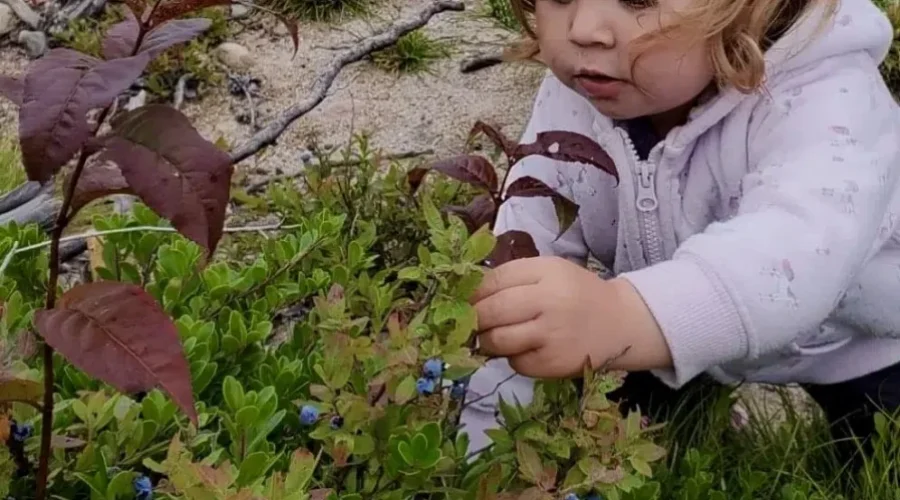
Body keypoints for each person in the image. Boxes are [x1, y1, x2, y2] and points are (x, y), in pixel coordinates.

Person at [458, 0, 900, 465]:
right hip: (659, 309)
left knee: (878, 460)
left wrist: (623, 313)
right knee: (617, 446)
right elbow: (518, 266)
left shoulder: (830, 94)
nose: (585, 28)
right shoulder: (577, 96)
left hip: (864, 341)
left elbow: (797, 256)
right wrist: (484, 454)